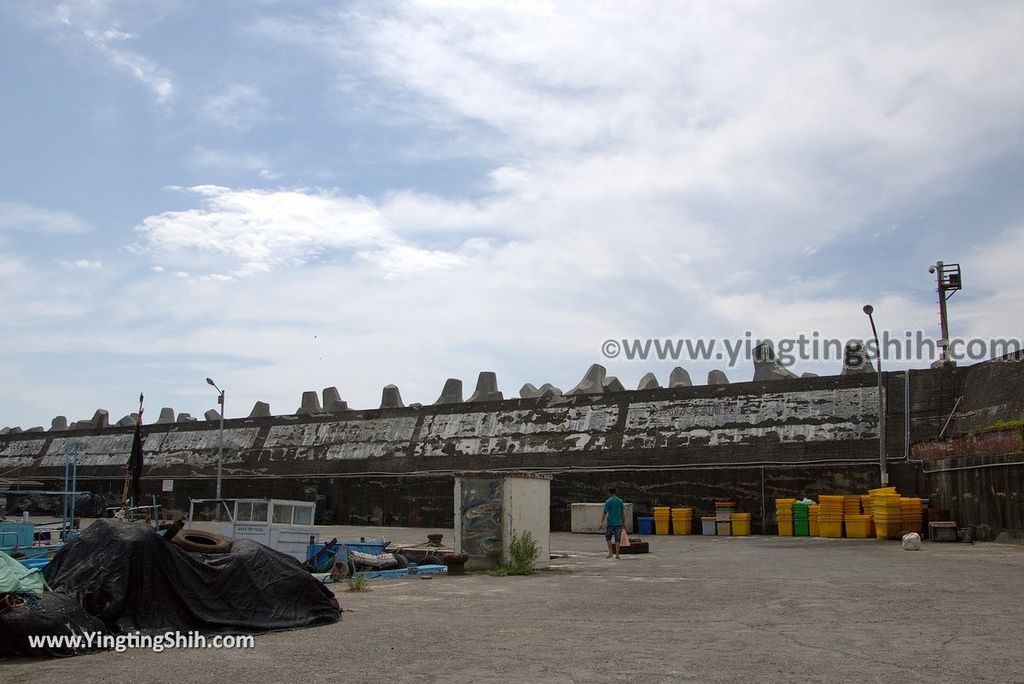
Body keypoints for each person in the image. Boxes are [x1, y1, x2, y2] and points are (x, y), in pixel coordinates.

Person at [599, 487, 625, 559]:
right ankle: (617, 554)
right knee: (617, 539)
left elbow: (605, 512)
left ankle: (610, 552)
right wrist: (624, 522)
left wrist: (601, 522)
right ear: (616, 492)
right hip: (618, 523)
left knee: (608, 538)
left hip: (610, 522)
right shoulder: (620, 501)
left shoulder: (608, 501)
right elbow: (622, 513)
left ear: (609, 493)